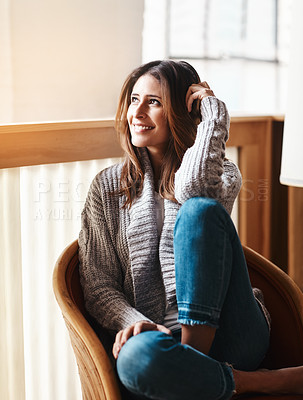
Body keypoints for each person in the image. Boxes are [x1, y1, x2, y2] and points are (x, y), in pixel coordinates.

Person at [79, 60, 303, 399]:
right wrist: (135, 322)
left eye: (153, 102)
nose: (137, 112)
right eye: (134, 99)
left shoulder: (222, 173)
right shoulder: (106, 188)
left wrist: (212, 115)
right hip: (159, 334)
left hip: (233, 331)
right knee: (136, 360)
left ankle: (189, 361)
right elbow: (98, 284)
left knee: (199, 210)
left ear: (184, 114)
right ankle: (258, 381)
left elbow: (194, 191)